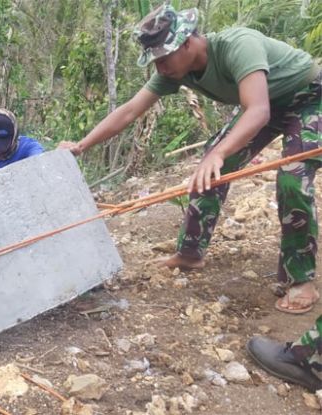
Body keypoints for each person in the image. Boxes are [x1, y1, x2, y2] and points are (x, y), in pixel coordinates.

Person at [59, 4, 321, 314]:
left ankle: (300, 279)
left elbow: (259, 110)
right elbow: (130, 110)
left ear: (187, 43)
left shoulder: (238, 45)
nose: (160, 68)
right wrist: (82, 144)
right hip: (263, 106)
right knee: (209, 165)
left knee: (291, 177)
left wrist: (221, 152)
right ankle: (190, 253)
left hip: (308, 99)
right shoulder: (174, 70)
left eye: (164, 58)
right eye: (155, 61)